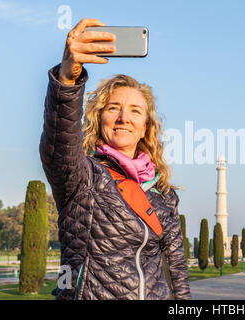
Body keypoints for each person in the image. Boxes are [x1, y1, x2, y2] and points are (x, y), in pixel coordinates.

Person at [40, 19, 190, 300]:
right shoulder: (83, 178)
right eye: (113, 108)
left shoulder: (163, 194)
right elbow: (58, 143)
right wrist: (66, 81)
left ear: (146, 126)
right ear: (98, 118)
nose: (124, 118)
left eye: (135, 111)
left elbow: (176, 269)